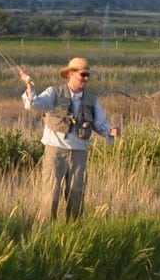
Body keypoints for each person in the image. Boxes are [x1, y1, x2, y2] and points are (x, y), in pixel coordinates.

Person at [19, 55, 119, 220]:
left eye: (88, 75)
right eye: (82, 75)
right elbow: (34, 104)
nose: (86, 79)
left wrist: (110, 131)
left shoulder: (92, 100)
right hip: (55, 151)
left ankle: (73, 232)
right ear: (71, 74)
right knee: (50, 194)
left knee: (76, 195)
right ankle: (45, 232)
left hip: (79, 153)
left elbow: (101, 124)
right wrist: (29, 87)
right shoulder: (54, 93)